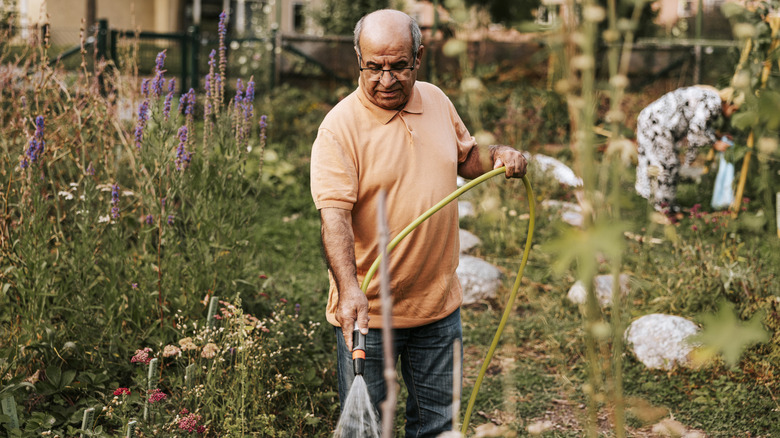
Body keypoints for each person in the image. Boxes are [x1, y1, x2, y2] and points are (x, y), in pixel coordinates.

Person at [309, 9, 527, 437]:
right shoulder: (338, 129)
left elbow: (466, 158)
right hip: (369, 312)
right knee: (369, 431)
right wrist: (349, 288)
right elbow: (333, 216)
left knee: (438, 426)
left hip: (438, 308)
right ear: (358, 58)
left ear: (419, 57)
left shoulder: (437, 100)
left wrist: (499, 153)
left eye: (399, 67)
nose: (386, 80)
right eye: (374, 67)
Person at [634, 85, 740, 215]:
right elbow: (696, 129)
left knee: (659, 163)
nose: (733, 115)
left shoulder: (711, 97)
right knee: (667, 164)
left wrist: (716, 135)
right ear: (729, 104)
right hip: (657, 124)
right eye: (734, 110)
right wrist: (715, 143)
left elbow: (698, 123)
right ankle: (663, 208)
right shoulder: (714, 103)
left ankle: (661, 204)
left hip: (652, 120)